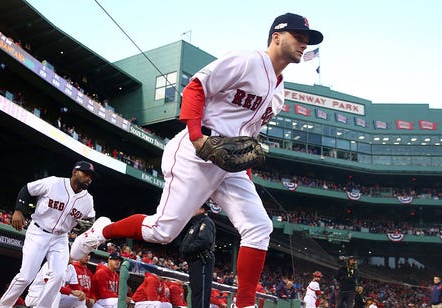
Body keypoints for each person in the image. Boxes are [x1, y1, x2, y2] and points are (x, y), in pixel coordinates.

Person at [70, 12, 323, 308]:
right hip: (196, 151)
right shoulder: (247, 61)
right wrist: (196, 136)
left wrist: (244, 172)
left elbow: (247, 138)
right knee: (161, 232)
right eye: (299, 37)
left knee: (259, 226)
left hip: (229, 164)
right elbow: (196, 87)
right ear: (277, 37)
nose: (304, 44)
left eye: (308, 40)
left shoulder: (279, 93)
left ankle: (244, 304)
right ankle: (100, 230)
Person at [0, 161, 97, 308]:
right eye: (85, 174)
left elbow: (90, 219)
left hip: (60, 237)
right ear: (75, 172)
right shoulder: (53, 183)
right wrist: (19, 210)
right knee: (26, 276)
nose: (88, 178)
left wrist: (87, 226)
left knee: (58, 276)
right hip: (39, 231)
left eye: (91, 176)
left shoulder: (88, 200)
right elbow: (27, 189)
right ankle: (4, 306)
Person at [179, 203, 216, 308]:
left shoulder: (206, 222)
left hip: (202, 260)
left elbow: (204, 241)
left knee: (201, 293)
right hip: (194, 262)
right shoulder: (195, 223)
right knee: (195, 292)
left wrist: (187, 249)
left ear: (202, 209)